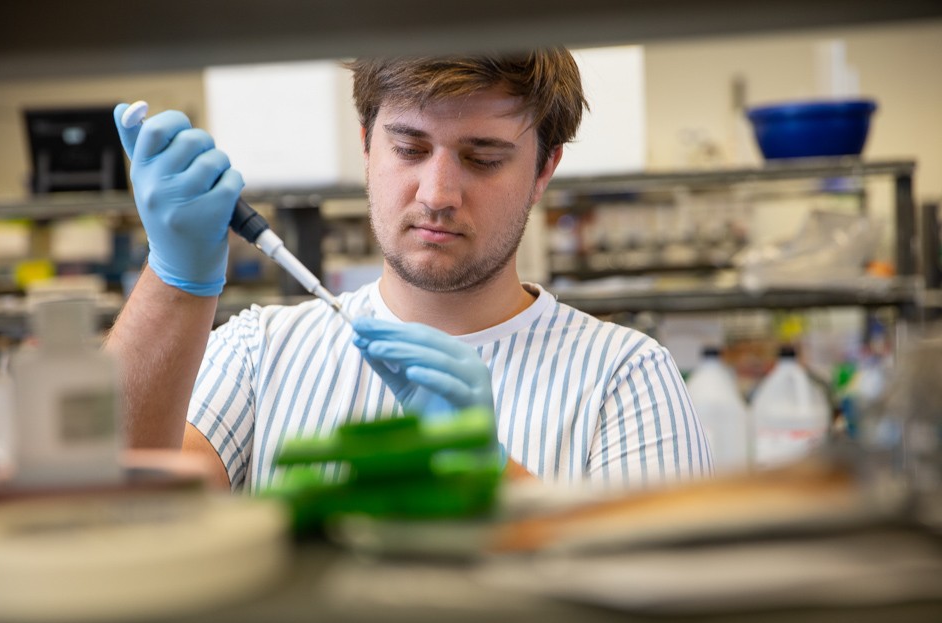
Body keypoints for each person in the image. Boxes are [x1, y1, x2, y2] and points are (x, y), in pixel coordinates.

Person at [107, 48, 712, 493]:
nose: (437, 194)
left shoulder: (625, 376)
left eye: (483, 157)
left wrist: (490, 474)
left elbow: (665, 598)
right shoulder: (260, 351)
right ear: (367, 146)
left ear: (544, 170)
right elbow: (124, 506)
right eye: (409, 149)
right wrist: (173, 277)